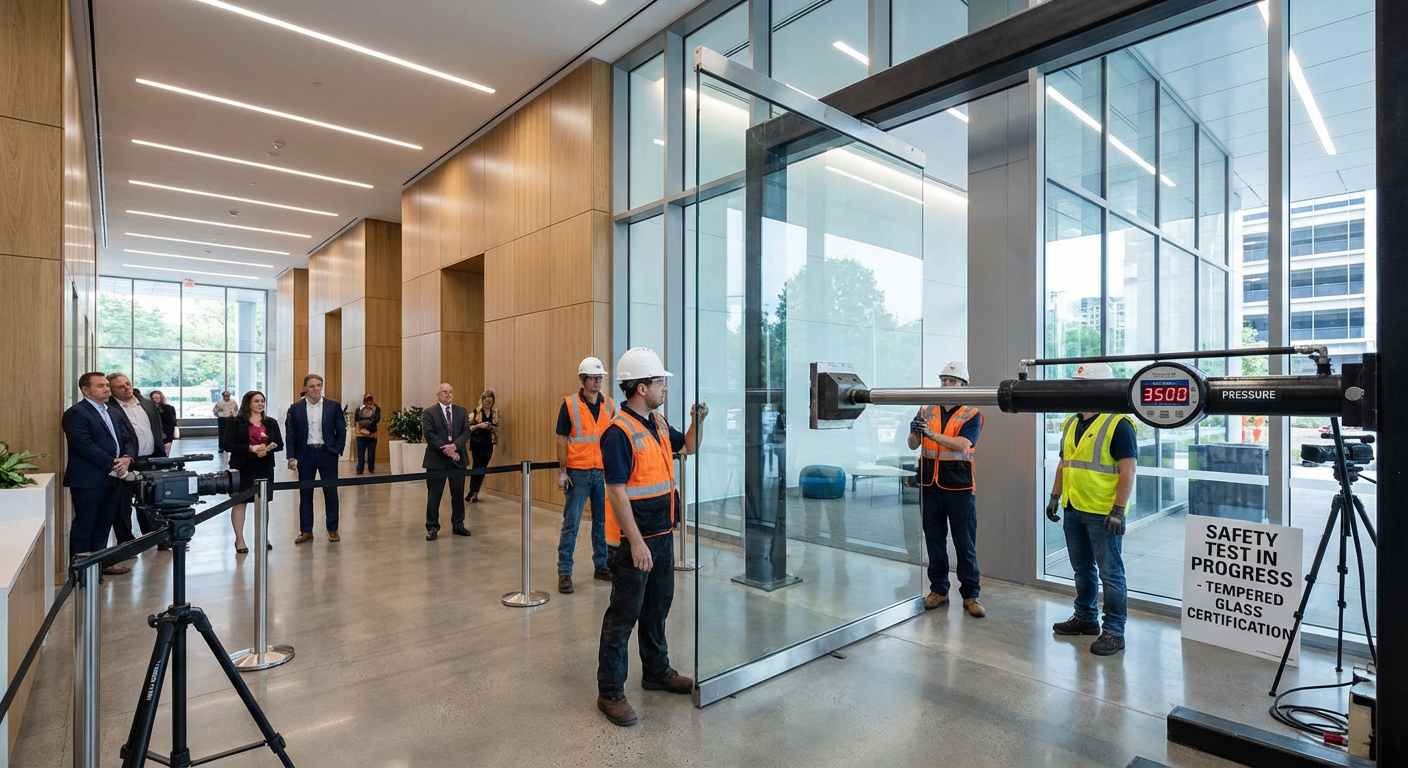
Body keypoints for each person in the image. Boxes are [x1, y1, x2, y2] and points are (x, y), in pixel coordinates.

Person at [596, 347, 707, 727]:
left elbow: (688, 447)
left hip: (661, 534)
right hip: (635, 543)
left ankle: (656, 672)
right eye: (660, 382)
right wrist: (637, 543)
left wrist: (697, 420)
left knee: (657, 607)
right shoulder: (617, 432)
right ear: (641, 387)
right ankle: (610, 691)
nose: (664, 387)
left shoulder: (658, 423)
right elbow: (616, 491)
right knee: (623, 616)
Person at [1045, 362, 1138, 657]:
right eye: (1076, 385)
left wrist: (1119, 510)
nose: (1077, 390)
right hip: (1074, 507)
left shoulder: (1118, 424)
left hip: (1103, 513)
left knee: (1111, 574)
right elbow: (1065, 462)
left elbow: (1128, 470)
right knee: (1082, 569)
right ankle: (1086, 618)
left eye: (1083, 385)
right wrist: (1054, 495)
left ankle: (1114, 631)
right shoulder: (1071, 422)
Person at [907, 361, 986, 618]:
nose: (945, 384)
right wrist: (915, 434)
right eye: (943, 379)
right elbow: (912, 445)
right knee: (934, 541)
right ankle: (938, 590)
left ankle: (971, 595)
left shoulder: (971, 413)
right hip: (930, 485)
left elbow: (963, 445)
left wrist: (930, 433)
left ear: (963, 385)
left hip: (959, 487)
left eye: (951, 381)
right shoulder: (926, 408)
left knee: (965, 544)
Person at [61, 372, 136, 575]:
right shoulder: (76, 414)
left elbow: (127, 437)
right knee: (86, 523)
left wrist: (127, 458)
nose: (106, 389)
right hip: (88, 480)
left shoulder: (112, 411)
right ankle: (82, 571)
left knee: (104, 523)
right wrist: (114, 464)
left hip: (113, 478)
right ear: (86, 390)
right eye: (100, 386)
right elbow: (84, 445)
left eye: (106, 385)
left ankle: (102, 564)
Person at [554, 356, 615, 594]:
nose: (598, 382)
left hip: (601, 471)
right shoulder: (569, 405)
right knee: (572, 523)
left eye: (600, 378)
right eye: (593, 378)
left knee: (601, 522)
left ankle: (601, 565)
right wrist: (562, 471)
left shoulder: (609, 405)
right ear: (582, 379)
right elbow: (561, 438)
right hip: (577, 472)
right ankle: (564, 572)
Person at [107, 373, 167, 547]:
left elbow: (157, 429)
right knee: (123, 504)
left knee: (151, 500)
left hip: (151, 459)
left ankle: (156, 537)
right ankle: (126, 542)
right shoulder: (110, 408)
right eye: (120, 387)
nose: (127, 388)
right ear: (111, 390)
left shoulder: (147, 405)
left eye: (128, 384)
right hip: (126, 461)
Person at [286, 374, 345, 544]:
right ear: (305, 388)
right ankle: (306, 530)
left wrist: (337, 450)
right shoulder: (295, 408)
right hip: (306, 454)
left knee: (331, 492)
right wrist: (291, 456)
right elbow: (291, 434)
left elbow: (341, 430)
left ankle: (332, 529)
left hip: (327, 453)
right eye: (312, 386)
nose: (316, 389)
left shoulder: (332, 406)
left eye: (319, 385)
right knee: (305, 494)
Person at [223, 391, 282, 553]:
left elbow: (280, 444)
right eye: (257, 401)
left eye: (262, 401)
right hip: (243, 466)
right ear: (248, 403)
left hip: (264, 466)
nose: (260, 404)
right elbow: (227, 444)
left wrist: (267, 449)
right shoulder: (236, 422)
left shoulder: (270, 422)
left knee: (263, 503)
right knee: (240, 502)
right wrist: (250, 448)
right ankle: (240, 539)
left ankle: (263, 536)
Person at [422, 384, 472, 540]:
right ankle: (432, 527)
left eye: (451, 392)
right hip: (436, 460)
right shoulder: (429, 413)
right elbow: (429, 434)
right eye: (445, 392)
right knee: (434, 495)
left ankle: (458, 524)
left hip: (458, 459)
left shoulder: (462, 412)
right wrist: (447, 450)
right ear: (438, 394)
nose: (448, 394)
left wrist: (455, 446)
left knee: (457, 494)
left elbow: (466, 432)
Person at [464, 389, 500, 503]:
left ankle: (475, 492)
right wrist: (479, 425)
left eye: (490, 398)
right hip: (477, 443)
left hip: (489, 444)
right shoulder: (474, 413)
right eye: (485, 398)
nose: (488, 401)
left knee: (483, 469)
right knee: (477, 467)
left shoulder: (496, 413)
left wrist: (491, 427)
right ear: (482, 400)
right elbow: (468, 428)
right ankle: (472, 492)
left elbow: (496, 427)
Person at [354, 393, 381, 474]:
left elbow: (376, 419)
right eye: (367, 399)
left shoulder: (376, 408)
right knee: (361, 453)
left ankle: (371, 468)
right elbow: (356, 419)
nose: (369, 401)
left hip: (371, 434)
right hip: (361, 434)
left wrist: (368, 430)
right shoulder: (359, 409)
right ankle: (360, 469)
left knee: (371, 453)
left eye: (370, 399)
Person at [148, 389, 178, 455]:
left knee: (167, 451)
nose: (155, 399)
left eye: (157, 398)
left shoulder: (169, 408)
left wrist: (175, 431)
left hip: (167, 433)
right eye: (154, 398)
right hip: (154, 434)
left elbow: (173, 422)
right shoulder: (150, 410)